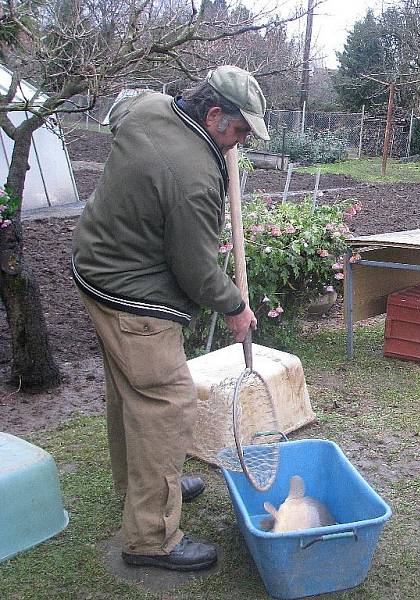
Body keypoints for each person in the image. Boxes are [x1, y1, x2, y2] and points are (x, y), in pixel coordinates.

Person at [71, 65, 269, 571]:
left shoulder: (150, 107)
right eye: (240, 131)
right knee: (165, 403)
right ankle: (152, 537)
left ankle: (141, 489)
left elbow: (120, 107)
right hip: (136, 298)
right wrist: (236, 308)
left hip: (96, 271)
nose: (241, 143)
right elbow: (198, 269)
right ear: (214, 114)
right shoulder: (193, 178)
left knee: (128, 393)